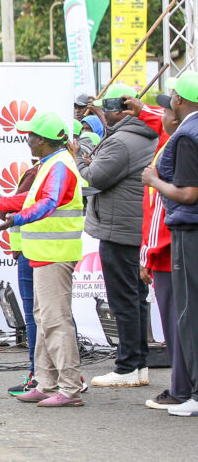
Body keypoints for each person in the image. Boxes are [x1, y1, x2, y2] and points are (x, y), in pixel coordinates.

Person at [0, 111, 85, 407]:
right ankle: (47, 383)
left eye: (31, 136)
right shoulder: (50, 163)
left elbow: (46, 204)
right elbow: (30, 199)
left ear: (44, 141)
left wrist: (15, 219)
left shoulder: (60, 166)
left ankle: (70, 388)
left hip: (55, 256)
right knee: (43, 318)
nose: (27, 141)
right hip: (43, 255)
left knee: (55, 321)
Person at [79, 84, 158, 388]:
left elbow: (91, 179)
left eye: (104, 110)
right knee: (136, 299)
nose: (101, 115)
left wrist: (78, 157)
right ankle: (137, 363)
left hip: (119, 229)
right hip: (134, 227)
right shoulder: (143, 135)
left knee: (123, 299)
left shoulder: (121, 142)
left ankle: (127, 366)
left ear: (119, 111)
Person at [143, 71, 198, 416]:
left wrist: (154, 181)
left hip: (187, 234)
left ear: (179, 100)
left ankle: (192, 394)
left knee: (189, 314)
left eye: (172, 98)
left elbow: (189, 193)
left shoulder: (187, 135)